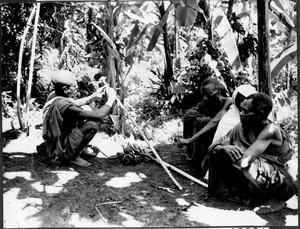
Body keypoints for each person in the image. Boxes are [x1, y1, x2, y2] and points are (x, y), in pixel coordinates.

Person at [208, 92, 297, 214]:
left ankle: (276, 199)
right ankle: (241, 193)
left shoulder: (270, 130)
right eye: (240, 109)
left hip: (282, 182)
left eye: (245, 111)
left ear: (259, 114)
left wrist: (229, 146)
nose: (240, 113)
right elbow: (214, 146)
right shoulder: (242, 126)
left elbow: (245, 160)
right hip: (262, 177)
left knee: (246, 163)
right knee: (219, 152)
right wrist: (225, 148)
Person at [41, 70, 117, 167]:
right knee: (93, 125)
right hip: (60, 148)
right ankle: (73, 156)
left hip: (59, 138)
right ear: (65, 89)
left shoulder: (55, 95)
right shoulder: (66, 107)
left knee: (87, 108)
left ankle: (77, 148)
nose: (77, 87)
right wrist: (110, 100)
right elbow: (99, 115)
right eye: (74, 86)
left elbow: (75, 102)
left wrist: (93, 96)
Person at [177, 77, 232, 175]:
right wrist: (200, 119)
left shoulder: (228, 102)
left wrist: (190, 140)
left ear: (218, 91)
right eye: (204, 95)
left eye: (209, 94)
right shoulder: (206, 102)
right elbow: (191, 113)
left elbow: (215, 121)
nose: (205, 98)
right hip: (206, 134)